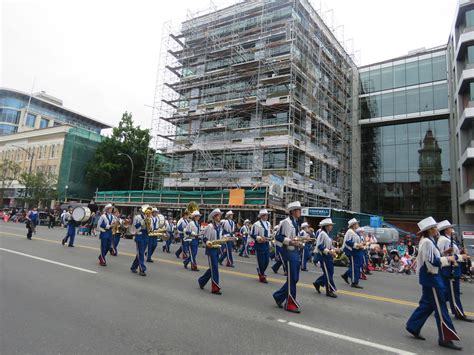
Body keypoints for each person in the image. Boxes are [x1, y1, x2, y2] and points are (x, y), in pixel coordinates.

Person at [406, 217, 461, 350]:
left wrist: (443, 254)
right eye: (435, 227)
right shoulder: (427, 242)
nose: (437, 229)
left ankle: (413, 326)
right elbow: (432, 262)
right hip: (432, 278)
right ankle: (445, 338)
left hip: (431, 278)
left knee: (427, 305)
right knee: (441, 309)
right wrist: (448, 258)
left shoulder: (429, 241)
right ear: (430, 230)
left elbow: (432, 258)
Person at [437, 220, 473, 323]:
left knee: (450, 293)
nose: (451, 230)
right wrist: (459, 255)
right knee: (454, 293)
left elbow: (454, 253)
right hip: (449, 269)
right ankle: (459, 313)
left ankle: (433, 305)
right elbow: (439, 255)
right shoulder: (443, 240)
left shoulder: (450, 239)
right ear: (445, 230)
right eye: (449, 228)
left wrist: (461, 252)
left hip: (454, 268)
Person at [273, 201, 303, 313]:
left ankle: (278, 296)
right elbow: (278, 236)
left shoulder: (296, 222)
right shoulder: (286, 222)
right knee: (292, 278)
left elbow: (295, 238)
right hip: (288, 253)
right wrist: (290, 242)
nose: (300, 212)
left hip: (294, 252)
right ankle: (290, 304)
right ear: (293, 211)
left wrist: (300, 243)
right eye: (298, 210)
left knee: (295, 278)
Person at [198, 209, 224, 294]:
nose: (220, 216)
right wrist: (207, 242)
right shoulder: (210, 226)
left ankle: (201, 281)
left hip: (217, 249)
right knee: (215, 268)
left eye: (220, 215)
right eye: (218, 215)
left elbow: (220, 237)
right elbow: (205, 238)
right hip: (211, 249)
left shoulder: (219, 226)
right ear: (214, 217)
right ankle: (215, 288)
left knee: (213, 268)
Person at [313, 218, 338, 298]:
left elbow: (328, 246)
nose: (331, 227)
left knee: (330, 272)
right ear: (326, 226)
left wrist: (334, 250)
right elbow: (320, 245)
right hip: (323, 256)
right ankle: (329, 291)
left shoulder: (327, 234)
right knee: (328, 274)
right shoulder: (322, 234)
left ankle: (318, 283)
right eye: (330, 225)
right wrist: (329, 251)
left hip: (328, 256)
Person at [341, 218, 364, 288]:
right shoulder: (350, 231)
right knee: (355, 267)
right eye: (357, 223)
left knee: (356, 265)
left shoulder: (354, 232)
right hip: (352, 251)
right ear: (353, 225)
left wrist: (361, 244)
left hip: (357, 250)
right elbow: (348, 241)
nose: (358, 225)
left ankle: (346, 275)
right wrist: (357, 245)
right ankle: (354, 282)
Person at [251, 209, 272, 283]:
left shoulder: (268, 224)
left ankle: (260, 271)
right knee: (261, 261)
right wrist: (259, 238)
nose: (267, 216)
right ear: (262, 216)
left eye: (267, 215)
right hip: (259, 245)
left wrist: (270, 243)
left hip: (266, 244)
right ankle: (262, 276)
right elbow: (252, 234)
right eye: (265, 215)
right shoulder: (256, 224)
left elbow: (269, 234)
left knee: (267, 261)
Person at [131, 205, 151, 276]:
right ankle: (142, 269)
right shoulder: (137, 217)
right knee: (141, 253)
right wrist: (142, 222)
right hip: (139, 235)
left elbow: (149, 228)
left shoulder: (149, 218)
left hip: (146, 235)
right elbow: (135, 226)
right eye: (147, 209)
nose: (148, 211)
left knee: (140, 253)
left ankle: (133, 267)